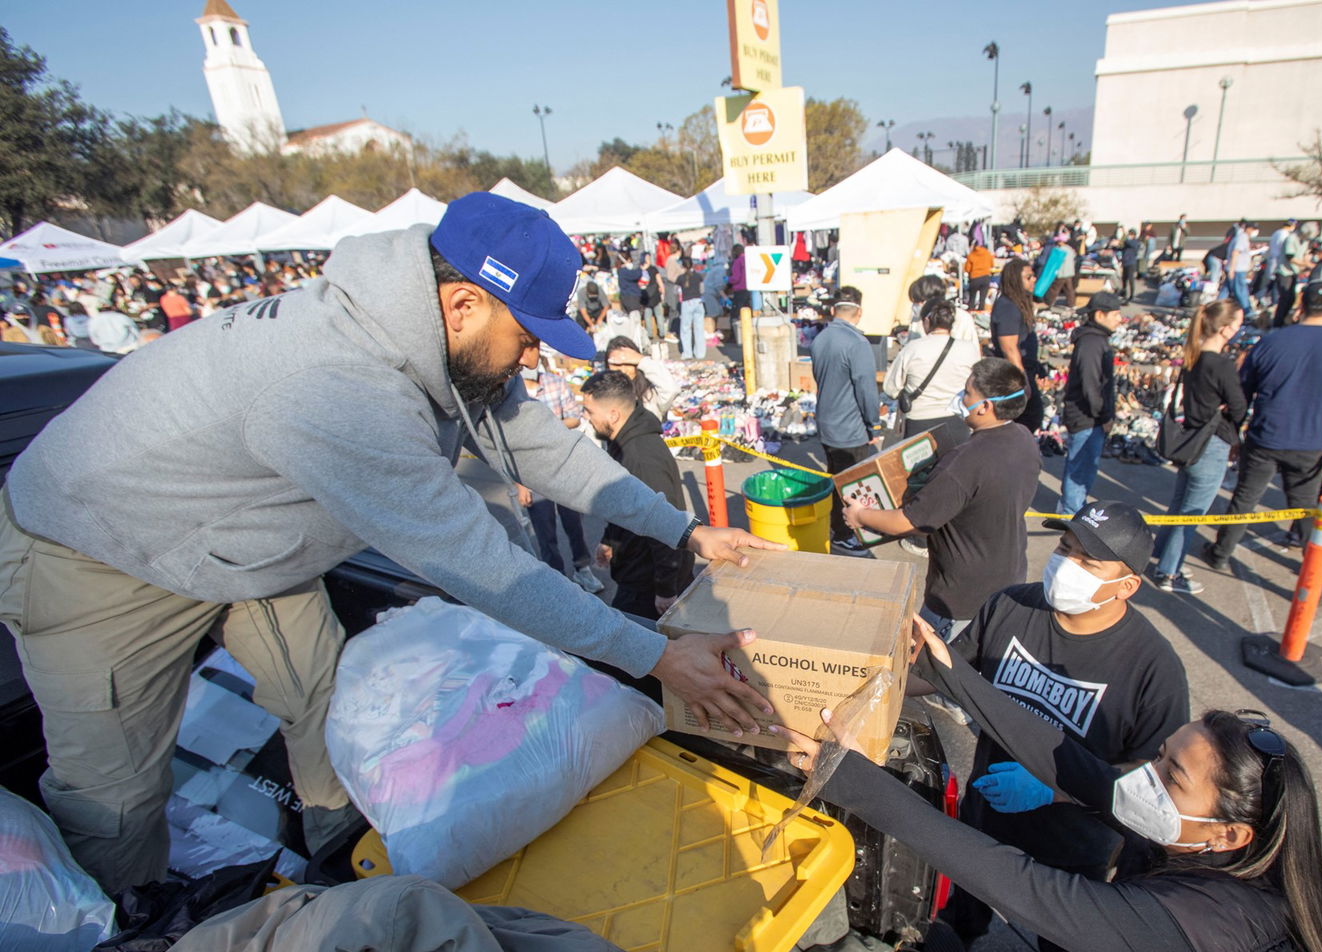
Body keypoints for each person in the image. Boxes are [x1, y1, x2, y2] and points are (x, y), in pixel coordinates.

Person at [0, 192, 782, 893]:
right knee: (116, 790)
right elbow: (481, 566)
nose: (534, 358)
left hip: (242, 542)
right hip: (100, 549)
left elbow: (541, 447)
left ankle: (338, 861)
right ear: (464, 303)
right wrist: (652, 654)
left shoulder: (438, 336)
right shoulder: (337, 388)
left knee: (319, 696)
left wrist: (684, 528)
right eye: (527, 336)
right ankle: (122, 949)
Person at [777, 656, 1322, 952]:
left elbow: (1017, 883)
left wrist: (849, 776)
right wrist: (952, 673)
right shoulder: (1224, 850)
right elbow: (1070, 761)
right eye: (1158, 756)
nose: (1144, 778)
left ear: (1229, 834)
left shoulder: (1192, 926)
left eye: (1170, 775)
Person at [895, 502, 1190, 952]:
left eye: (1088, 562)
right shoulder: (1011, 607)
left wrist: (1055, 789)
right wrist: (881, 672)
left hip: (1074, 851)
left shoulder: (1153, 666)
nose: (1065, 566)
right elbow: (946, 673)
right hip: (984, 820)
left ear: (1126, 586)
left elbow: (1152, 776)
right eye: (1064, 548)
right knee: (957, 919)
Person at [843, 358, 1037, 638]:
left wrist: (860, 514)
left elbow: (910, 521)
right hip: (1010, 577)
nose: (961, 397)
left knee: (930, 671)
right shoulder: (1024, 439)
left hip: (959, 598)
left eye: (968, 392)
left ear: (985, 406)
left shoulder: (965, 462)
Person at [1204, 281, 1322, 570]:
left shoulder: (1271, 341)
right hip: (1313, 442)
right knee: (1305, 508)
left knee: (1245, 499)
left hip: (1266, 435)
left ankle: (1221, 553)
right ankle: (1313, 569)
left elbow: (1243, 393)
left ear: (1301, 306)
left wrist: (1234, 433)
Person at [1150, 300, 1247, 594]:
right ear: (1226, 328)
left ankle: (1165, 554)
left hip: (1192, 440)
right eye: (1238, 322)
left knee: (1180, 505)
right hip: (1212, 443)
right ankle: (1169, 571)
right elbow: (1240, 407)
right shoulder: (1221, 364)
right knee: (1192, 512)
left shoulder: (1195, 357)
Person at [580, 371, 693, 621]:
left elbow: (667, 526)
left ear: (613, 414)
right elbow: (624, 504)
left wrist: (665, 590)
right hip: (638, 570)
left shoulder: (640, 458)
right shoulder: (621, 442)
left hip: (649, 584)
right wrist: (610, 539)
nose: (585, 419)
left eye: (589, 412)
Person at [518, 349, 605, 594]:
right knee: (545, 531)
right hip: (531, 473)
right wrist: (519, 483)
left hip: (563, 467)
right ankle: (558, 583)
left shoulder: (555, 383)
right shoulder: (511, 394)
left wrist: (545, 427)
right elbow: (506, 445)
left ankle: (582, 569)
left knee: (573, 523)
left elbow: (575, 418)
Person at [810, 286, 881, 555]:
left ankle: (836, 526)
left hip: (826, 421)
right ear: (859, 312)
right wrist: (872, 423)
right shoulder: (857, 343)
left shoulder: (820, 339)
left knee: (834, 477)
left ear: (832, 310)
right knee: (852, 484)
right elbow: (866, 388)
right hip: (850, 427)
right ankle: (844, 534)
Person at [883, 298, 983, 450]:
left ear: (927, 321)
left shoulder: (912, 348)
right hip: (958, 420)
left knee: (921, 472)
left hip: (919, 421)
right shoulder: (969, 349)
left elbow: (891, 388)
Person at [1057, 291, 1124, 514]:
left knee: (1082, 468)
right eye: (1115, 314)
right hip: (1087, 418)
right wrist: (1103, 415)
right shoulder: (1092, 343)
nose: (1119, 319)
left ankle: (1071, 508)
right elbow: (1090, 385)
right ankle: (1071, 516)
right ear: (1099, 315)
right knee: (1080, 471)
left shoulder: (1096, 340)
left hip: (1090, 417)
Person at [989, 258, 1045, 433]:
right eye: (1028, 277)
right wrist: (1022, 381)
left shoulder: (1016, 304)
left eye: (1033, 276)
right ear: (1015, 280)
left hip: (1024, 369)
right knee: (1027, 417)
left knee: (1029, 417)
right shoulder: (1008, 307)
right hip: (1013, 375)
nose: (1034, 280)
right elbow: (1009, 348)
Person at [604, 336, 680, 421]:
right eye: (617, 365)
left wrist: (642, 360)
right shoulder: (601, 399)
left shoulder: (650, 397)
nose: (623, 370)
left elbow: (671, 389)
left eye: (628, 363)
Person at [905, 274, 979, 345]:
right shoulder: (917, 319)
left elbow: (973, 350)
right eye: (914, 302)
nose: (915, 306)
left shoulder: (962, 319)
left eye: (919, 301)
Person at [1272, 223, 1310, 328]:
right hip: (1284, 271)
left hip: (1294, 272)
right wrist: (1306, 265)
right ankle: (1277, 323)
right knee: (1285, 298)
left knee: (1291, 298)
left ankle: (1283, 320)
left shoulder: (1305, 240)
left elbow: (1304, 254)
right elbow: (1290, 257)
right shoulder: (1291, 239)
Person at [676, 258, 706, 360]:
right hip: (698, 302)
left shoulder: (680, 278)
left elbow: (676, 292)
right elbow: (702, 290)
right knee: (699, 328)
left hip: (687, 303)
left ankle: (687, 353)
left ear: (683, 266)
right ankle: (700, 353)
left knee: (685, 329)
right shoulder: (698, 276)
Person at [1225, 220, 1257, 311]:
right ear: (1249, 229)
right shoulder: (1242, 237)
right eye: (1253, 229)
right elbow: (1236, 252)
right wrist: (1232, 269)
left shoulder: (1242, 237)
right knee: (1241, 291)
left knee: (1226, 291)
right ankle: (1248, 312)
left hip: (1237, 269)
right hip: (1237, 269)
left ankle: (1215, 309)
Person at [964, 242, 995, 311]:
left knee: (972, 298)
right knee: (982, 299)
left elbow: (967, 269)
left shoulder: (971, 255)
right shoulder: (987, 253)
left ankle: (971, 311)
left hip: (975, 277)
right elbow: (992, 264)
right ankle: (981, 311)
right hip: (986, 277)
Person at [1118, 228, 1143, 302]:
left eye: (1130, 234)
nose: (1129, 235)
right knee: (1124, 279)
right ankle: (1124, 293)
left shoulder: (1135, 242)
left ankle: (1132, 295)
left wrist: (1124, 237)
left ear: (1134, 235)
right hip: (1125, 263)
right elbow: (1122, 247)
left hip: (1131, 263)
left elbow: (1129, 243)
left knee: (1131, 279)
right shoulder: (1127, 243)